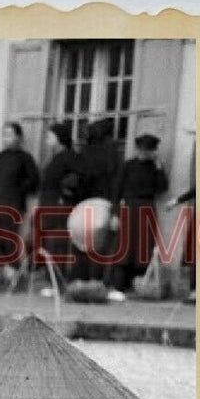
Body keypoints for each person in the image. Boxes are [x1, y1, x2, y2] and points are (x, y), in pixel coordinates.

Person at [106, 133, 170, 299]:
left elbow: (162, 188)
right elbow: (116, 191)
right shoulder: (128, 166)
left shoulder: (155, 168)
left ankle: (136, 285)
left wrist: (159, 167)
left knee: (143, 246)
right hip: (129, 208)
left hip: (147, 208)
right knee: (125, 246)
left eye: (147, 150)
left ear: (152, 151)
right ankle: (118, 285)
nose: (143, 153)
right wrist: (114, 214)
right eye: (141, 150)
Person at [0, 122, 40, 272]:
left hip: (13, 204)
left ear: (18, 137)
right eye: (4, 135)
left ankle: (10, 273)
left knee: (7, 237)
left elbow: (34, 180)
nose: (6, 139)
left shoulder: (25, 158)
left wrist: (17, 191)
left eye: (10, 135)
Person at [68, 116, 123, 284]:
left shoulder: (87, 152)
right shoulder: (112, 153)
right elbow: (116, 181)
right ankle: (96, 279)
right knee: (100, 244)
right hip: (104, 201)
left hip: (86, 201)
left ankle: (80, 278)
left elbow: (82, 179)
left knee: (82, 242)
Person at [34, 121, 81, 271]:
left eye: (50, 136)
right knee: (47, 238)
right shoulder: (56, 157)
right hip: (48, 202)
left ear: (59, 138)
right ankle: (49, 273)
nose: (47, 140)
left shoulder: (69, 157)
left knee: (58, 240)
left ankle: (57, 275)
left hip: (59, 204)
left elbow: (75, 180)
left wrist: (64, 195)